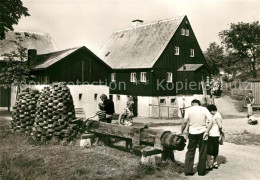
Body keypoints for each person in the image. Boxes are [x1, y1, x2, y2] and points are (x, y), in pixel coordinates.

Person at [180, 99, 213, 176]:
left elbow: (184, 122)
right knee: (203, 152)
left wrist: (181, 131)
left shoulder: (188, 110)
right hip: (202, 132)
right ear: (199, 104)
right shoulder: (204, 109)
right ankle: (201, 172)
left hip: (192, 133)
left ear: (192, 104)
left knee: (190, 151)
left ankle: (188, 171)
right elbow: (211, 120)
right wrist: (207, 131)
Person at [206, 104, 223, 170]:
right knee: (215, 149)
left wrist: (220, 134)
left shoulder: (217, 116)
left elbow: (220, 126)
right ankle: (214, 163)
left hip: (213, 135)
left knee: (209, 150)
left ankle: (210, 164)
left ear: (212, 111)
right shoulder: (216, 115)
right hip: (214, 135)